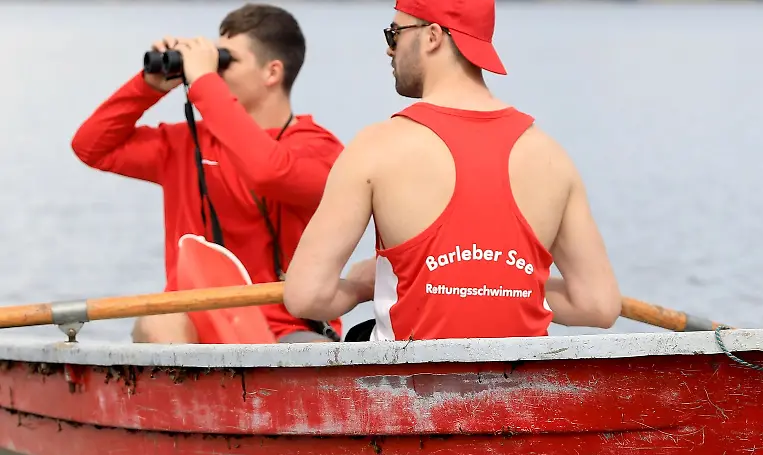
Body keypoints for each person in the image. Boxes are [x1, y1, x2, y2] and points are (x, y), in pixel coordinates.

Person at [283, 0, 621, 341]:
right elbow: (597, 304)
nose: (389, 50)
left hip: (408, 387)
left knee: (359, 334)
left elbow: (306, 296)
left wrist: (358, 286)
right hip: (521, 389)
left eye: (394, 33)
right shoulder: (550, 156)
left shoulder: (376, 148)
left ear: (432, 36)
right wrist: (497, 280)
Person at [71, 3, 345, 344]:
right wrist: (148, 86)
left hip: (286, 331)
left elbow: (268, 172)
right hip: (197, 326)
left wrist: (203, 82)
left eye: (225, 59)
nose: (214, 69)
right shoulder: (186, 145)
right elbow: (91, 146)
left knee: (308, 357)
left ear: (272, 72)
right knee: (159, 323)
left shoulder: (319, 150)